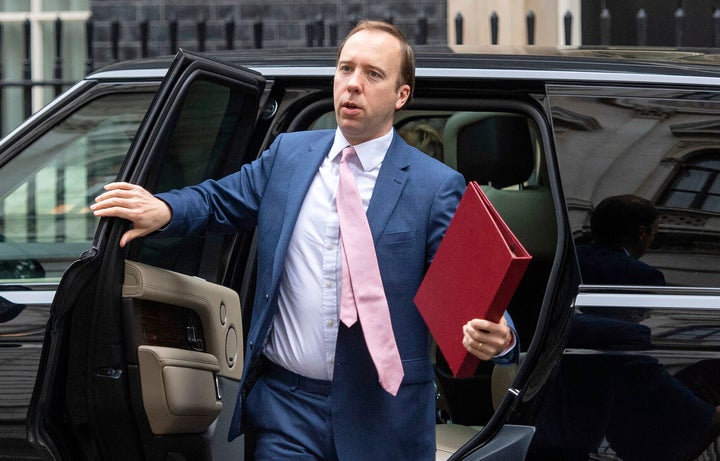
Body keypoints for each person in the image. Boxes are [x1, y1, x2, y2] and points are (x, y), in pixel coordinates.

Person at [91, 20, 517, 461]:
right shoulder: (288, 156)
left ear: (401, 95)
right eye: (345, 69)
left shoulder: (435, 185)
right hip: (285, 407)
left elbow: (469, 286)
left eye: (373, 74)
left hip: (384, 415)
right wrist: (166, 209)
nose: (353, 84)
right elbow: (219, 199)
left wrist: (502, 338)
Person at [529, 194, 720, 461]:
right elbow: (632, 359)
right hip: (590, 410)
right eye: (653, 233)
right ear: (642, 234)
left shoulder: (566, 261)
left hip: (544, 408)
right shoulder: (642, 277)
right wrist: (703, 415)